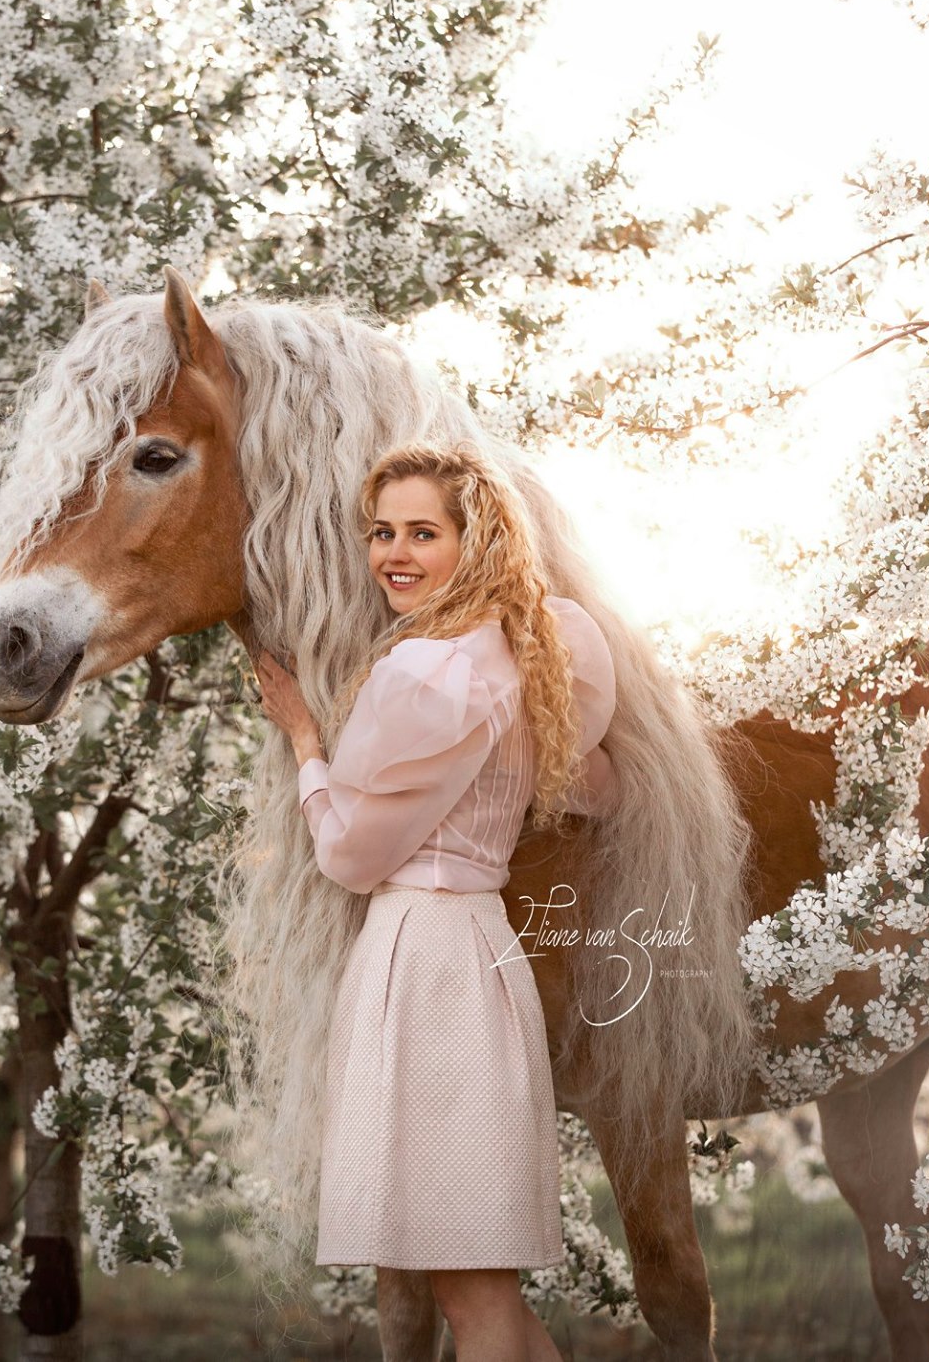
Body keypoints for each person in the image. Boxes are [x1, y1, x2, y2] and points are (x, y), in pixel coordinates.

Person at [250, 442, 621, 1362]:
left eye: (424, 531)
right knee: (479, 1284)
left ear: (475, 541)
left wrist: (304, 742)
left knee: (470, 1289)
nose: (395, 554)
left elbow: (347, 854)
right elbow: (597, 788)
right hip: (481, 953)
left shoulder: (423, 676)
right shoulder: (531, 656)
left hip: (426, 965)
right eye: (382, 532)